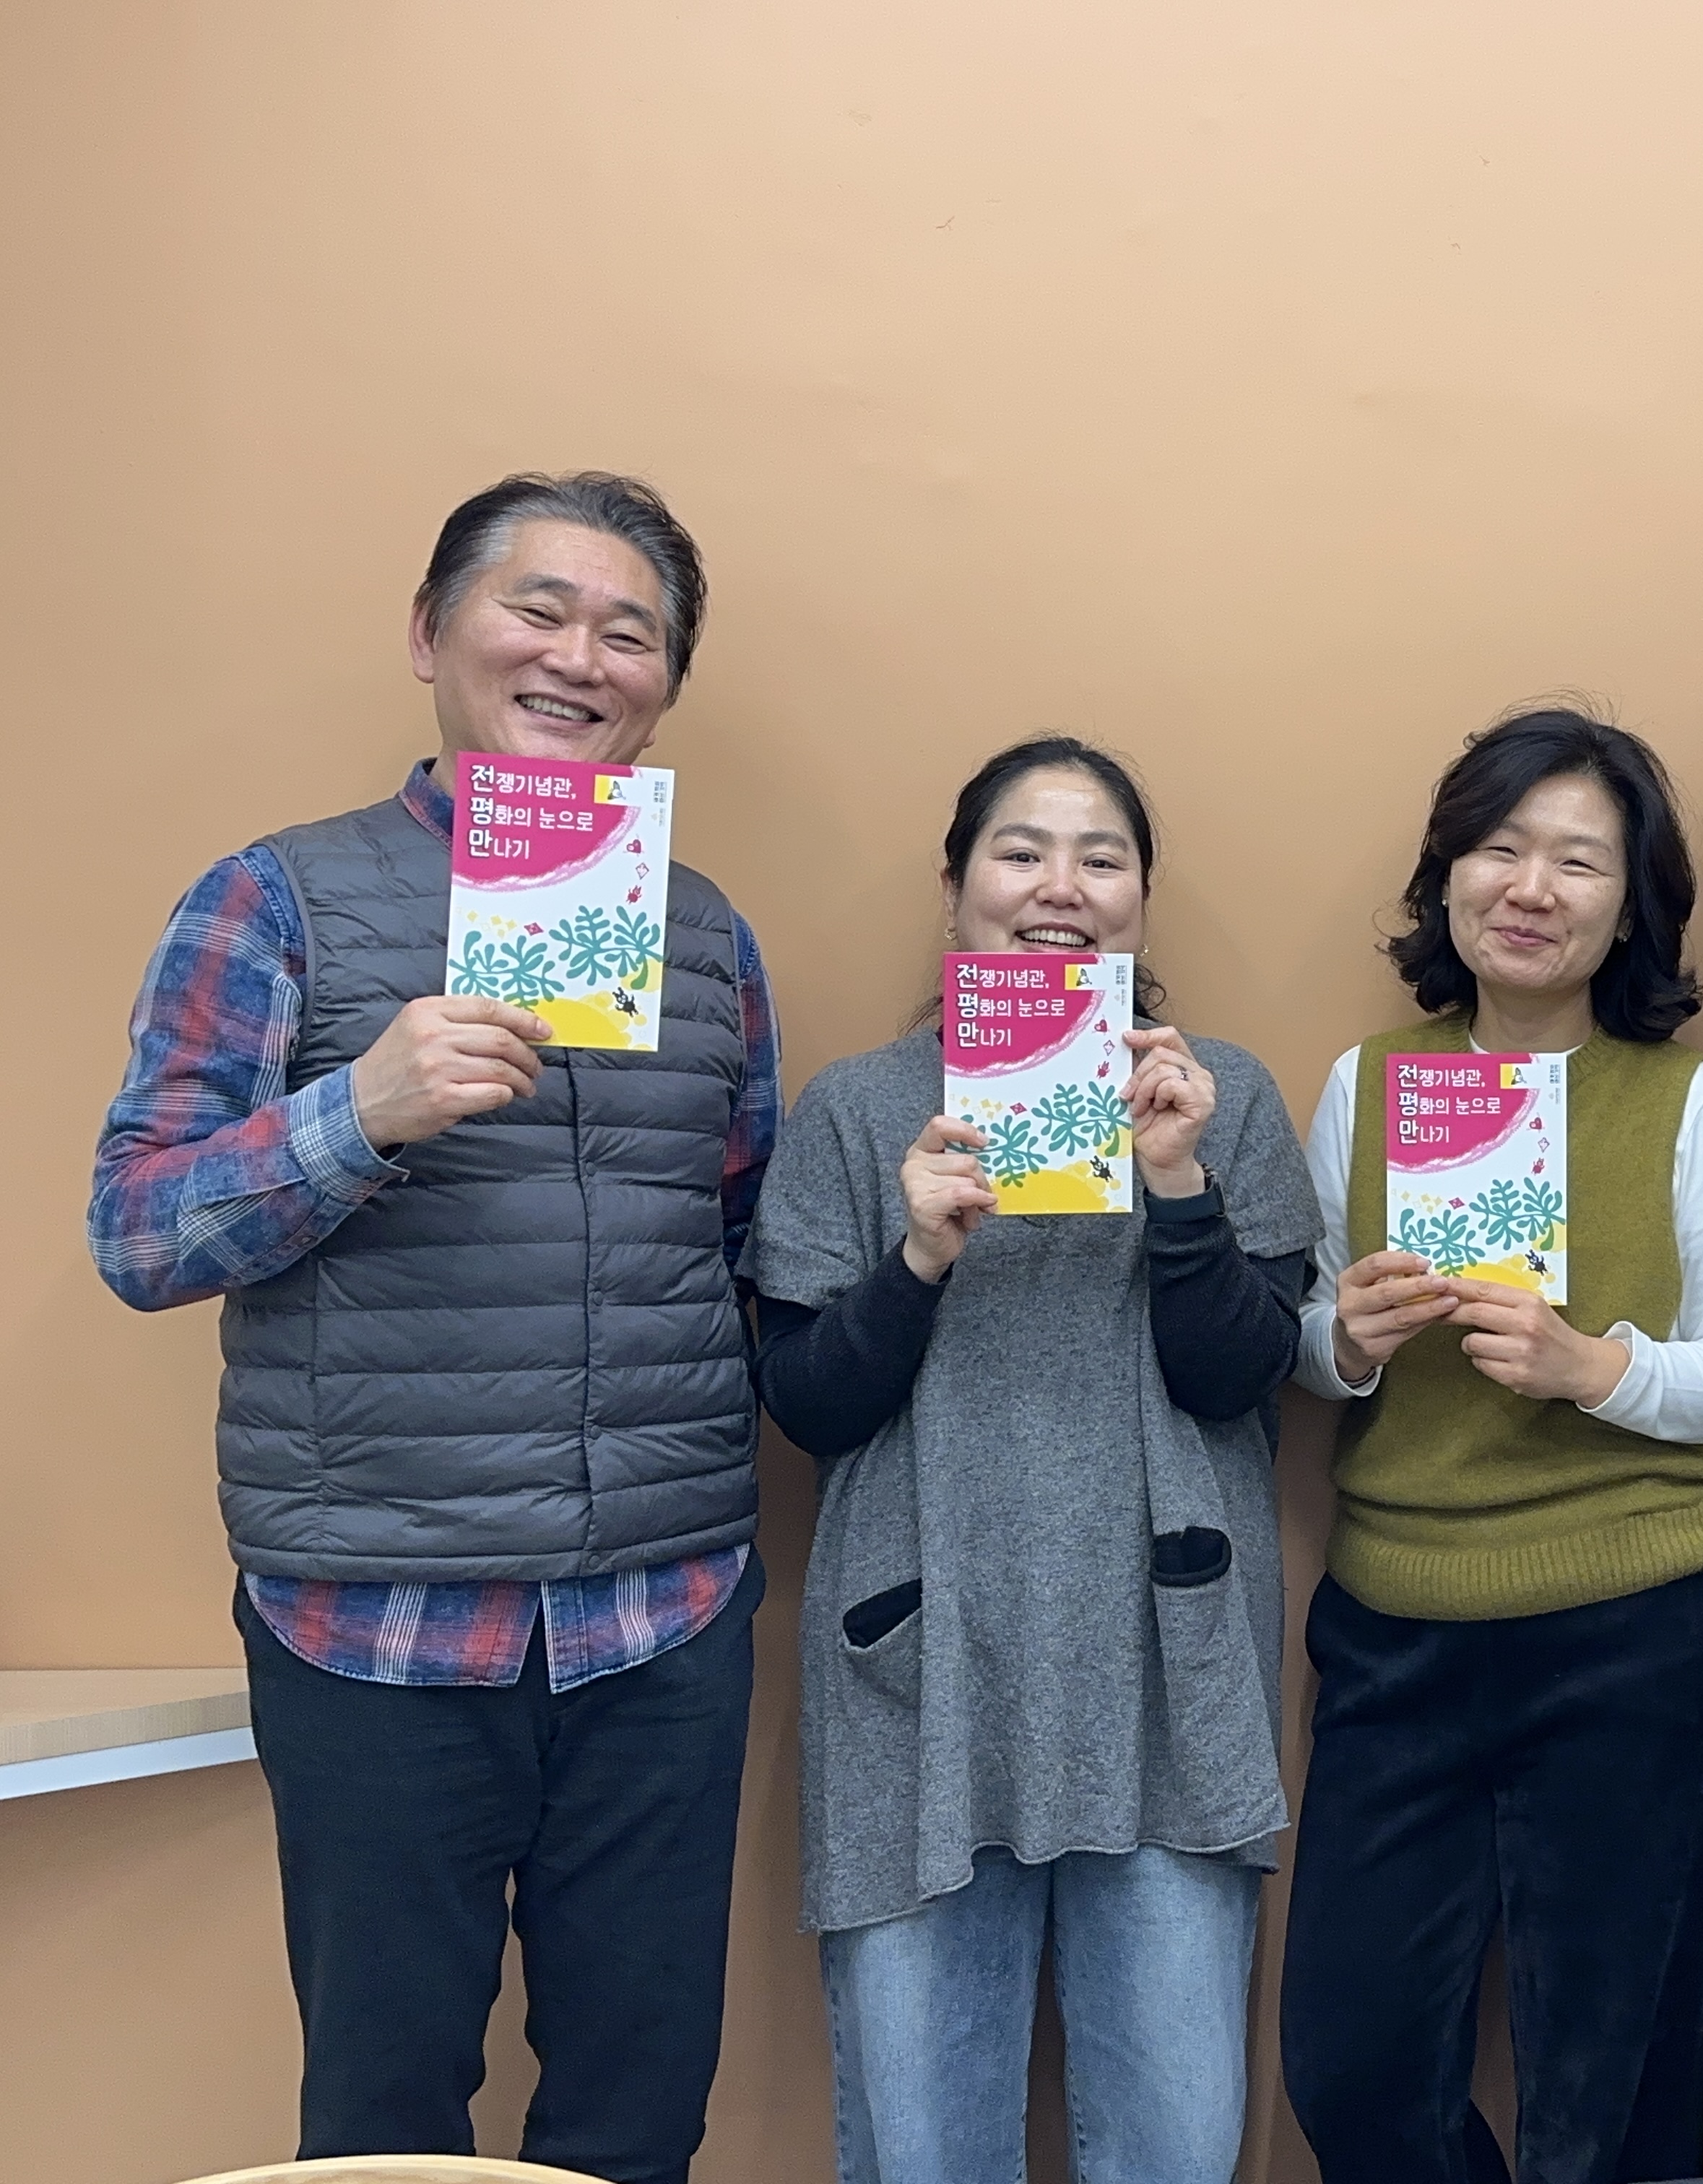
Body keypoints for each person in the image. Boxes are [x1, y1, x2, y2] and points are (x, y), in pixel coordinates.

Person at [87, 473, 777, 2184]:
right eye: (538, 608)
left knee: (640, 2119)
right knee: (385, 2127)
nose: (580, 658)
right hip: (374, 1625)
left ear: (665, 688)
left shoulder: (708, 938)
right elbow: (139, 1234)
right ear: (429, 634)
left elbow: (739, 1239)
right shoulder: (275, 900)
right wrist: (359, 1111)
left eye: (630, 633)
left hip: (663, 1620)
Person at [742, 737, 1316, 2184]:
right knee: (927, 2151)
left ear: (1140, 902)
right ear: (955, 890)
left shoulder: (1225, 1098)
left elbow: (1245, 1379)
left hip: (1167, 1672)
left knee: (1177, 2145)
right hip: (918, 1674)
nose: (1061, 887)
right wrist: (917, 1258)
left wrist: (1178, 1187)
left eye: (1101, 858)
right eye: (1021, 851)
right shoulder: (857, 1109)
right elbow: (807, 1404)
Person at [1277, 707, 1703, 2184]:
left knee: (1614, 2094)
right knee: (1353, 2073)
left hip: (1635, 1630)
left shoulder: (1689, 1099)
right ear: (1446, 875)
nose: (1531, 888)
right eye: (1501, 848)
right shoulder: (1369, 1083)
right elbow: (1303, 1337)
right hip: (1397, 1629)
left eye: (1579, 861)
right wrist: (1347, 1341)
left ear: (1629, 909)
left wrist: (1594, 1370)